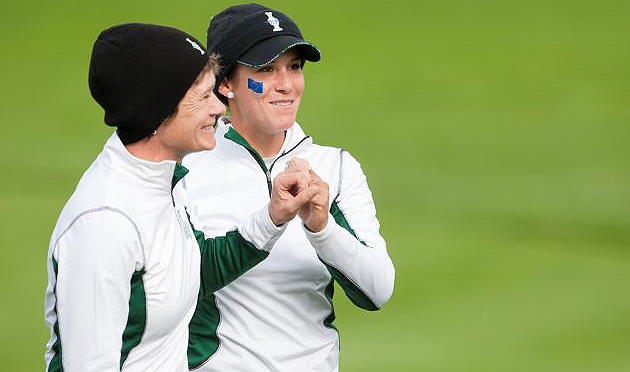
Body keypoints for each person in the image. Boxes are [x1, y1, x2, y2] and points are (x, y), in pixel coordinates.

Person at [44, 23, 320, 372]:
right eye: (202, 96)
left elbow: (188, 274)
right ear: (157, 110)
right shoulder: (106, 222)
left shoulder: (167, 180)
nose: (219, 108)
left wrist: (273, 216)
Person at [182, 4, 396, 371]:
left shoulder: (336, 167)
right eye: (264, 70)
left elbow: (377, 290)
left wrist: (323, 229)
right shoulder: (185, 169)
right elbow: (177, 286)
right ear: (225, 83)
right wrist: (270, 220)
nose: (286, 85)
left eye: (294, 67)